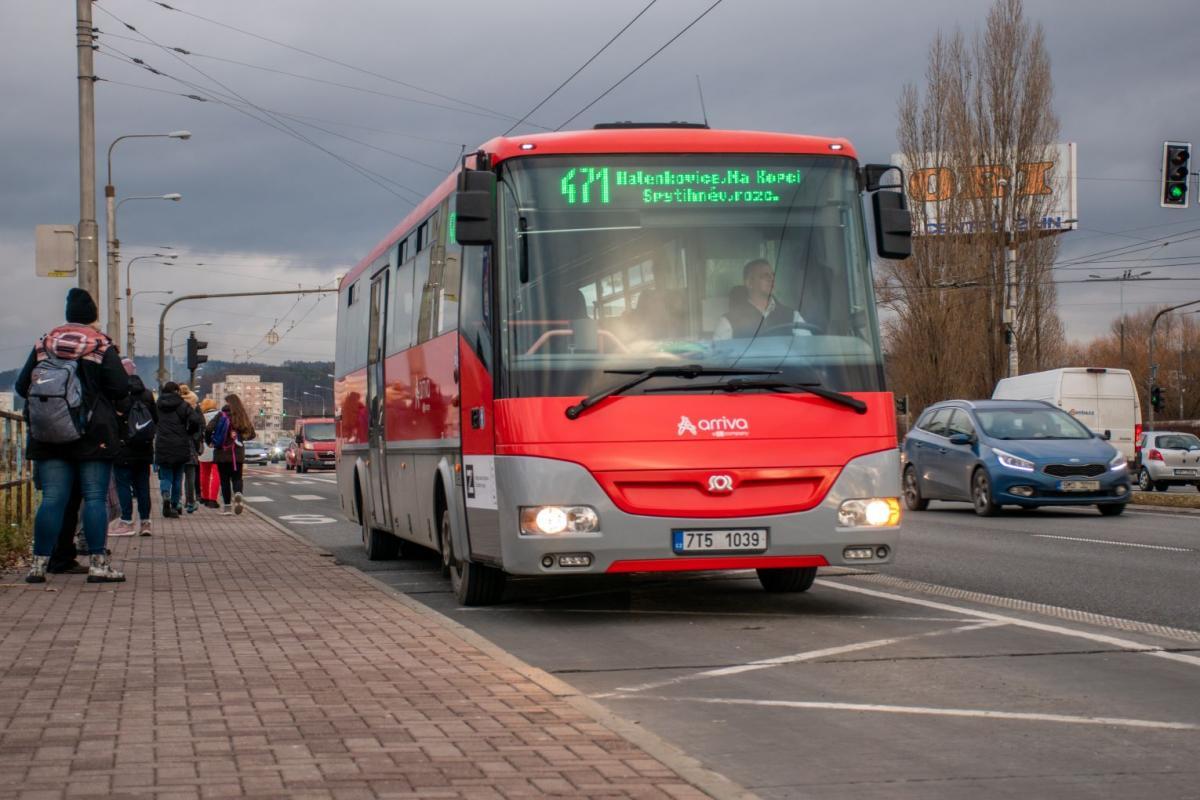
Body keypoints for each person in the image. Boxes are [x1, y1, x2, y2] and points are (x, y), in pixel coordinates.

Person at [16, 288, 129, 583]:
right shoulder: (100, 344)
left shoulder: (45, 343)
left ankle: (39, 565)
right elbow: (119, 388)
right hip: (93, 434)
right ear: (93, 317)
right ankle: (98, 564)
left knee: (52, 498)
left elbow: (21, 385)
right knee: (94, 498)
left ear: (67, 316)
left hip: (49, 433)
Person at [110, 359, 158, 536]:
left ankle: (127, 522)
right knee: (143, 485)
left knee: (122, 485)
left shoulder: (117, 394)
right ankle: (145, 523)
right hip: (144, 449)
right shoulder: (146, 394)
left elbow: (111, 421)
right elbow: (155, 419)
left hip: (123, 447)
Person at [713, 258, 810, 340]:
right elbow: (717, 357)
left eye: (772, 275)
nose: (771, 279)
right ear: (749, 283)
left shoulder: (792, 316)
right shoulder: (729, 321)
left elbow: (808, 350)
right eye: (765, 276)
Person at [205, 393, 256, 515]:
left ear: (228, 403)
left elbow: (208, 429)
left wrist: (210, 442)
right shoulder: (242, 416)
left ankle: (227, 507)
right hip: (237, 453)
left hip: (221, 453)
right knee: (237, 478)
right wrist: (240, 437)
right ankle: (238, 494)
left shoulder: (221, 414)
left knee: (224, 480)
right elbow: (252, 434)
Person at [153, 382, 198, 519]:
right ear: (177, 391)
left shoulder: (158, 405)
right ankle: (174, 505)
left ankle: (165, 493)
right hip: (180, 444)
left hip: (162, 444)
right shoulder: (184, 405)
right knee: (178, 477)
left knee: (166, 474)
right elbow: (195, 420)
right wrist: (188, 432)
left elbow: (152, 421)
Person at [178, 385, 204, 514]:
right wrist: (196, 439)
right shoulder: (194, 406)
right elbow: (201, 424)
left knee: (176, 476)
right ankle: (190, 502)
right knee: (190, 477)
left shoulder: (175, 405)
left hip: (176, 444)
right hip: (190, 445)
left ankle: (176, 500)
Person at [197, 397, 221, 508]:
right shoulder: (220, 416)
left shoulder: (200, 416)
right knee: (216, 474)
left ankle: (204, 497)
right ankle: (213, 499)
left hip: (204, 449)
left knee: (204, 474)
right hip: (217, 448)